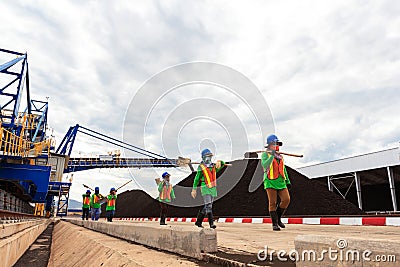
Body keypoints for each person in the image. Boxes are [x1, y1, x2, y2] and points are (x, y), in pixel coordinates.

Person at [261, 134, 291, 231]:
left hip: (281, 181)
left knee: (286, 199)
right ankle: (274, 223)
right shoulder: (265, 154)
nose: (276, 145)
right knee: (272, 202)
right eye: (274, 144)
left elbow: (283, 168)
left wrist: (287, 180)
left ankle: (278, 218)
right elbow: (265, 165)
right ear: (269, 145)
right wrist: (271, 156)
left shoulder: (280, 156)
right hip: (270, 181)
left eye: (277, 144)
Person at [191, 148, 226, 229]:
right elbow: (196, 179)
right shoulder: (201, 167)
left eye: (210, 156)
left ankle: (198, 222)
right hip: (205, 187)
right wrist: (194, 189)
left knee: (207, 206)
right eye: (207, 156)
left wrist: (220, 161)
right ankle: (211, 223)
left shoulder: (213, 166)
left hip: (213, 189)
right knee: (209, 206)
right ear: (203, 157)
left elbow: (222, 165)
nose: (209, 158)